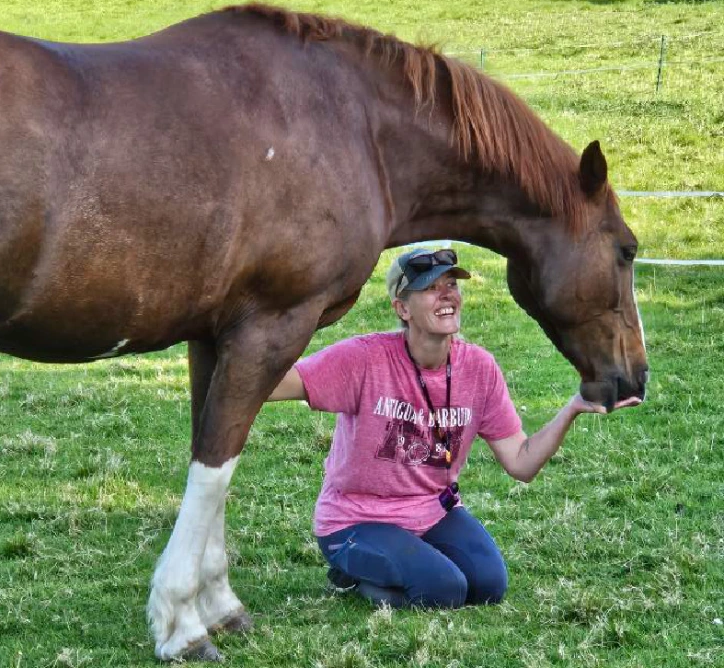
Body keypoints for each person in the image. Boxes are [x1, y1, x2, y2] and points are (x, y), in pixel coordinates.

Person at [267, 247, 640, 609]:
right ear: (402, 308)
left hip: (432, 511)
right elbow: (279, 383)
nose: (446, 295)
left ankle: (406, 563)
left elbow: (521, 463)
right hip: (356, 521)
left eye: (452, 285)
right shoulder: (365, 359)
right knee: (444, 589)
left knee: (489, 585)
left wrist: (573, 407)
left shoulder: (478, 368)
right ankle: (353, 575)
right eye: (430, 288)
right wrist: (229, 367)